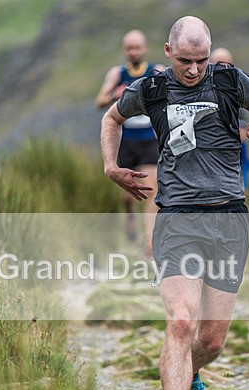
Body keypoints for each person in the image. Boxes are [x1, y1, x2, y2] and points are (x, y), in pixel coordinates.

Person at [101, 16, 249, 390]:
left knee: (212, 339)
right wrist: (110, 166)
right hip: (178, 218)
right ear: (167, 52)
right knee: (181, 323)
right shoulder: (153, 88)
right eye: (185, 61)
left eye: (201, 60)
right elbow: (112, 117)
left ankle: (191, 374)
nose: (193, 70)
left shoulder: (227, 80)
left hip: (228, 220)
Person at [96, 30, 165, 256]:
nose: (134, 51)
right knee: (127, 196)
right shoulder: (118, 73)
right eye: (130, 48)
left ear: (145, 49)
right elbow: (100, 101)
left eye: (137, 47)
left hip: (148, 139)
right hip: (125, 141)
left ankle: (150, 241)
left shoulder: (156, 70)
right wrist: (115, 95)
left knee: (150, 191)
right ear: (125, 50)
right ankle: (130, 217)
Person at [210, 47, 249, 190]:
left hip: (235, 147)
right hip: (211, 149)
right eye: (217, 64)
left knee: (240, 188)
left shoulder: (238, 87)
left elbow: (243, 126)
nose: (221, 68)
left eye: (225, 64)